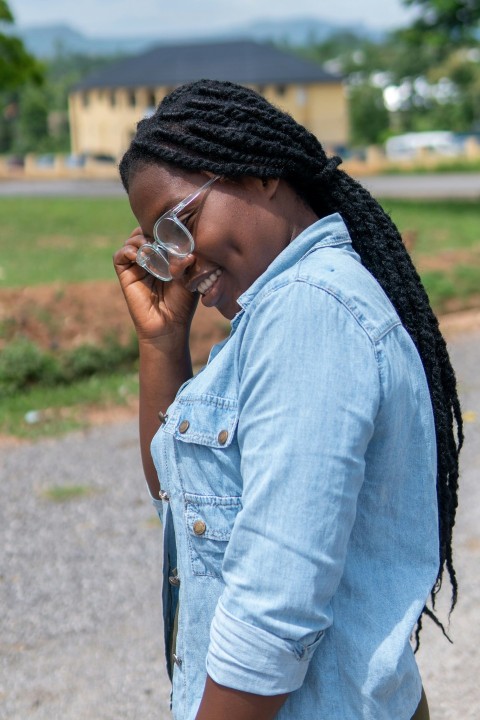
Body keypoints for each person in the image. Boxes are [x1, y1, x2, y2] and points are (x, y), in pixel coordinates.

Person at [113, 80, 462, 720]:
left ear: (260, 175)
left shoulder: (308, 311)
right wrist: (163, 342)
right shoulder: (280, 313)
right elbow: (178, 491)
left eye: (180, 225)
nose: (181, 262)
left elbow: (274, 612)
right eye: (163, 248)